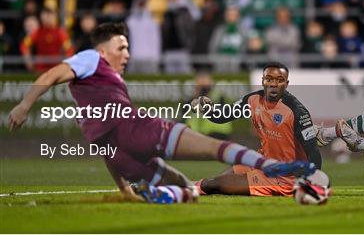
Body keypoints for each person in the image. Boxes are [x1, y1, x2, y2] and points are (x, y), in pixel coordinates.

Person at [7, 23, 315, 204]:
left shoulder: (97, 97)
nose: (127, 54)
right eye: (122, 47)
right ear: (102, 50)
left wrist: (123, 189)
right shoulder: (90, 58)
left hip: (125, 148)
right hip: (141, 132)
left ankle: (253, 173)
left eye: (128, 48)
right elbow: (50, 75)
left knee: (193, 184)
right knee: (211, 158)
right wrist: (23, 104)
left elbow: (106, 149)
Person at [193, 62, 321, 196]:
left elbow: (313, 152)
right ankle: (188, 187)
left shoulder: (297, 111)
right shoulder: (252, 100)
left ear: (286, 84)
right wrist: (207, 110)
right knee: (219, 179)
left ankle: (185, 187)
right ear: (263, 81)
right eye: (269, 79)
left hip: (284, 178)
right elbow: (223, 116)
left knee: (214, 184)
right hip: (264, 162)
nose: (273, 84)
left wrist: (312, 184)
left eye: (279, 80)